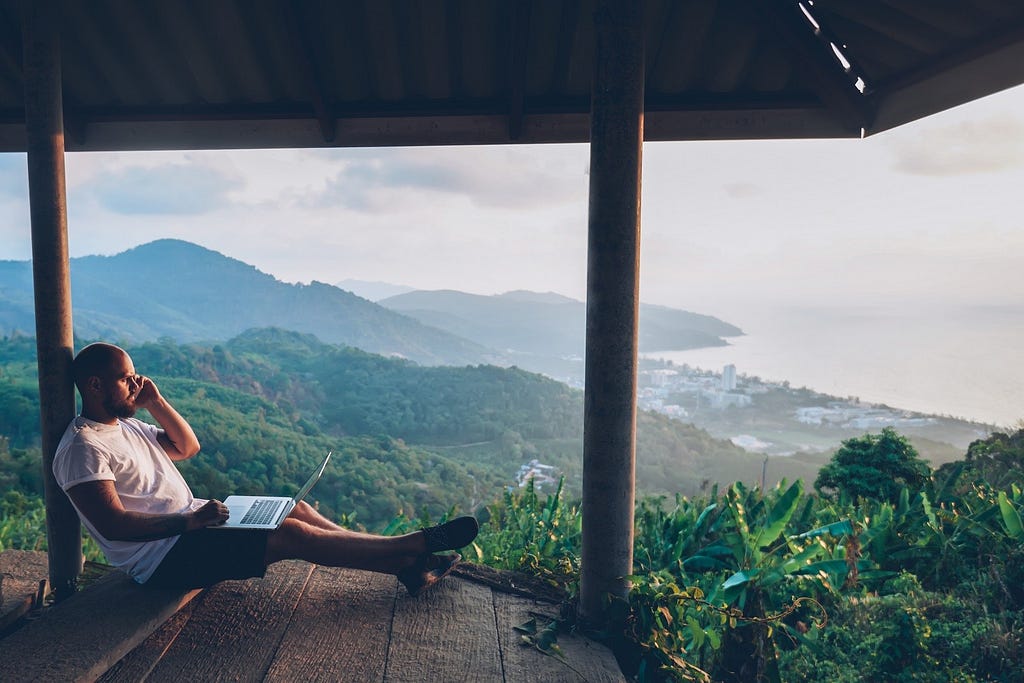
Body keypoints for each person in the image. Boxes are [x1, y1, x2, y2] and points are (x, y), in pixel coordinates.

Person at [52, 342, 478, 594]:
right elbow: (114, 525)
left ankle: (406, 566)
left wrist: (156, 402)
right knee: (288, 534)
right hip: (163, 560)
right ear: (94, 385)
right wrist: (188, 521)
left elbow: (187, 446)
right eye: (128, 379)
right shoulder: (82, 448)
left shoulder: (127, 425)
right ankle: (412, 544)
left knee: (296, 511)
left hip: (196, 524)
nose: (136, 384)